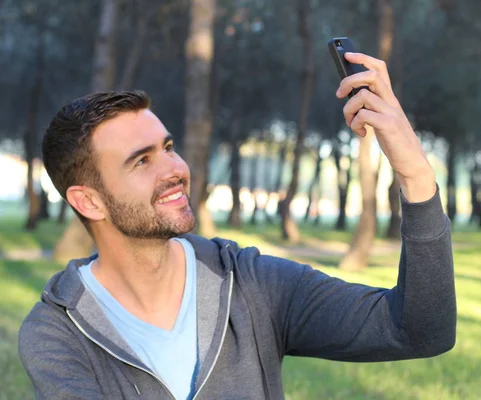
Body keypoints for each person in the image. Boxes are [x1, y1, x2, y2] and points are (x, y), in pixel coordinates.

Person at [19, 52, 456, 400]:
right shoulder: (58, 332)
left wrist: (414, 173)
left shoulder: (251, 284)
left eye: (168, 147)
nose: (175, 169)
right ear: (87, 201)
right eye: (142, 161)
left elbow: (419, 330)